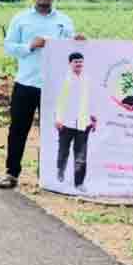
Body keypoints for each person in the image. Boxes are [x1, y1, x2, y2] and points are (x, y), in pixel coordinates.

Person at [0, 0, 83, 190]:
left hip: (55, 86)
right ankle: (11, 173)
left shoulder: (64, 21)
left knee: (54, 132)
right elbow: (8, 46)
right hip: (26, 83)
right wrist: (30, 46)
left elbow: (71, 51)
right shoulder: (21, 19)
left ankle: (48, 177)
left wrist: (79, 42)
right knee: (18, 129)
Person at [54, 52, 97, 192]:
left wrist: (93, 119)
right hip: (66, 122)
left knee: (81, 155)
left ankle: (79, 183)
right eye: (76, 62)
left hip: (83, 123)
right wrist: (58, 119)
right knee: (63, 151)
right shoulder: (64, 79)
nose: (79, 64)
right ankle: (60, 170)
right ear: (70, 63)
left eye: (81, 61)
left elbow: (91, 100)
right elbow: (59, 101)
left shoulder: (87, 79)